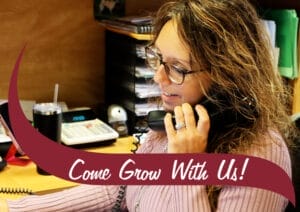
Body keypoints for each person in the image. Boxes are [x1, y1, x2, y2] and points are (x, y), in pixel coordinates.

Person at [1, 0, 297, 211]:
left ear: (226, 75)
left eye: (176, 67)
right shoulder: (169, 126)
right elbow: (118, 189)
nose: (158, 77)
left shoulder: (260, 156)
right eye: (158, 59)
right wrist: (19, 208)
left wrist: (187, 167)